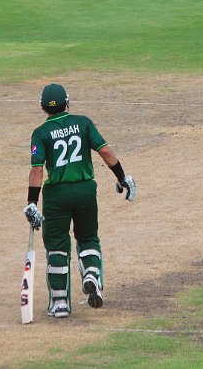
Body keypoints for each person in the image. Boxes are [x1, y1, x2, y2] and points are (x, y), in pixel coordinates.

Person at [24, 83, 136, 318]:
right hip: (85, 190)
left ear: (43, 107)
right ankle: (91, 274)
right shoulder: (83, 122)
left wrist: (32, 203)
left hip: (56, 196)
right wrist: (122, 177)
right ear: (67, 102)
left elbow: (37, 170)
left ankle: (59, 303)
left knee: (57, 246)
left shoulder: (40, 133)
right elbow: (105, 151)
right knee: (87, 238)